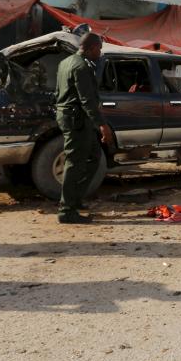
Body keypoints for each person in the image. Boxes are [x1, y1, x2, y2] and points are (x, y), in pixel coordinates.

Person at [54, 33, 113, 225]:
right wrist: (103, 125)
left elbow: (58, 92)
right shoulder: (81, 67)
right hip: (76, 119)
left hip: (71, 116)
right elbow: (86, 100)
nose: (100, 52)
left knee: (94, 158)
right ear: (92, 47)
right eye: (99, 48)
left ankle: (75, 199)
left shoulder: (65, 62)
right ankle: (66, 210)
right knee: (75, 162)